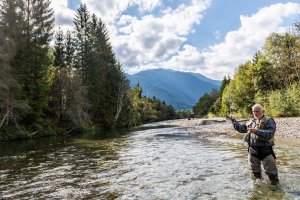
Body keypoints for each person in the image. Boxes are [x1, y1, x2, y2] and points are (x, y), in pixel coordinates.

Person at [228, 104, 279, 185]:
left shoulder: (269, 120)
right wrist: (233, 120)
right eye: (254, 111)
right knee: (255, 175)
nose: (255, 113)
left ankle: (275, 191)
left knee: (272, 175)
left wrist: (257, 131)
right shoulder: (251, 121)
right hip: (252, 151)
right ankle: (258, 190)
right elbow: (241, 129)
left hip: (266, 150)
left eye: (257, 111)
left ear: (262, 111)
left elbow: (270, 133)